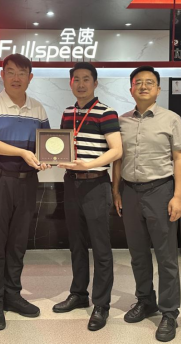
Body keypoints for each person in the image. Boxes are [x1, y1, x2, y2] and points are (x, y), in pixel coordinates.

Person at [112, 66, 181, 342]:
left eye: (149, 82)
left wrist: (178, 195)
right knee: (138, 253)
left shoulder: (171, 119)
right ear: (131, 89)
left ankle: (169, 312)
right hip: (130, 191)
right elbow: (118, 159)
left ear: (158, 89)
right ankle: (146, 301)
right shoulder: (121, 121)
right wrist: (116, 190)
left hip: (161, 191)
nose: (143, 86)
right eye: (138, 83)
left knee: (166, 256)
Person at [0, 53, 50, 331]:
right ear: (2, 75)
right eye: (11, 72)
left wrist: (48, 158)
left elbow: (47, 145)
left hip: (27, 181)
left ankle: (12, 294)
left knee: (18, 242)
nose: (16, 78)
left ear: (30, 77)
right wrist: (22, 152)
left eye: (22, 73)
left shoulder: (38, 108)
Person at [52, 62, 122, 331]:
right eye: (76, 79)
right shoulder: (68, 113)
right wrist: (52, 158)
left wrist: (89, 164)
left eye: (86, 79)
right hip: (72, 184)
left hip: (96, 185)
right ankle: (79, 293)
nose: (81, 84)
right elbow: (62, 146)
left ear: (95, 83)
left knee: (101, 247)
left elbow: (116, 150)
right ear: (70, 83)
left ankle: (101, 304)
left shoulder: (106, 112)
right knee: (77, 244)